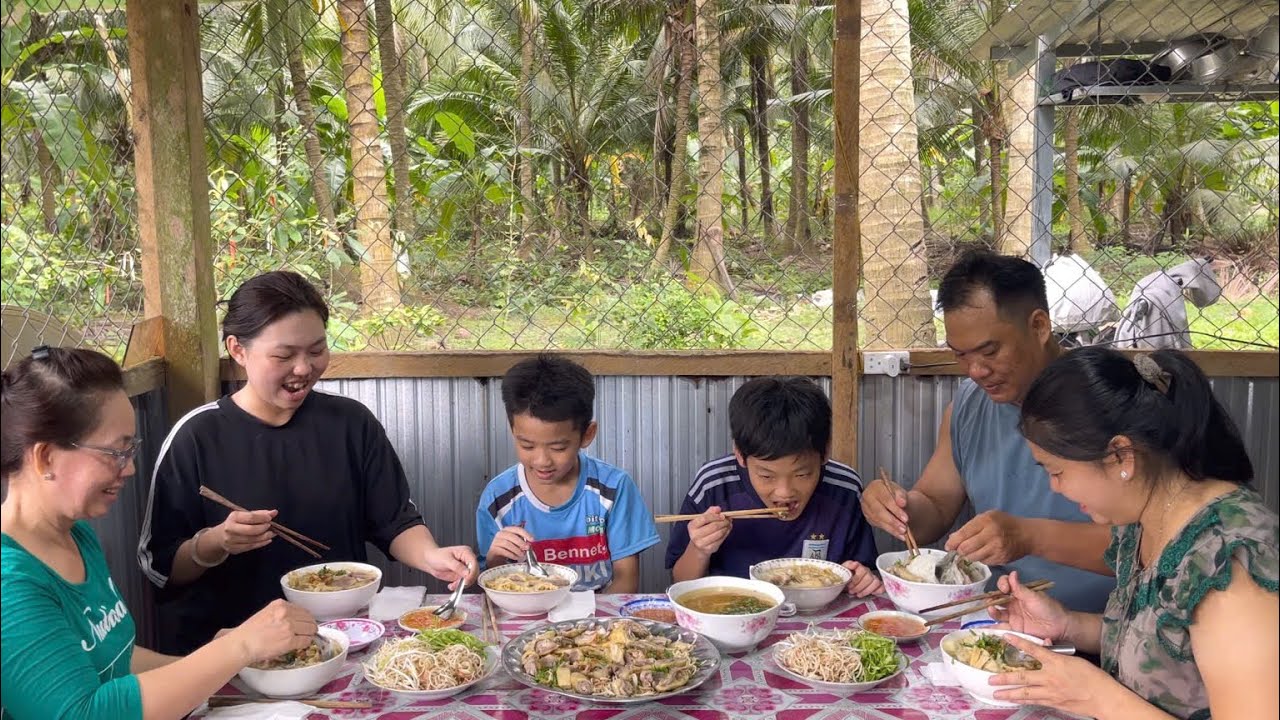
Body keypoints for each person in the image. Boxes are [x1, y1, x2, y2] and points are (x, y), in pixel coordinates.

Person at [138, 271, 476, 654]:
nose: (303, 368)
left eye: (316, 351)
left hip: (340, 640)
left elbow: (394, 521)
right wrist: (216, 542)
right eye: (284, 355)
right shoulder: (196, 436)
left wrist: (432, 557)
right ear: (238, 350)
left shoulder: (351, 423)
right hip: (236, 649)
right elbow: (160, 567)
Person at [2, 346, 318, 720]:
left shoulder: (75, 535)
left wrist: (211, 665)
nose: (130, 468)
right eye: (115, 452)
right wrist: (238, 648)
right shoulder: (12, 582)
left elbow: (114, 658)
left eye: (130, 449)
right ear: (45, 458)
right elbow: (84, 713)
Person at [987, 347, 1277, 720]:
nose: (1054, 488)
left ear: (1121, 457)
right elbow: (1160, 647)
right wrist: (1068, 625)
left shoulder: (1230, 565)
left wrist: (1096, 696)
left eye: (1056, 471)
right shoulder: (1143, 521)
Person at [861, 250, 1114, 612]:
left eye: (989, 351)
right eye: (960, 355)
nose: (975, 371)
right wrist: (897, 508)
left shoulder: (1112, 401)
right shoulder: (968, 405)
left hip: (1101, 630)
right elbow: (933, 505)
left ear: (1039, 327)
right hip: (993, 621)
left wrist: (1028, 536)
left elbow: (1154, 545)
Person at [666, 377, 882, 597]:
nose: (784, 492)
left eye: (802, 474)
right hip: (731, 615)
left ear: (825, 452)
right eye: (766, 475)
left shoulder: (844, 489)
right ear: (740, 454)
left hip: (817, 624)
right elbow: (680, 581)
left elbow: (862, 572)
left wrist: (863, 579)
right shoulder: (714, 485)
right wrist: (700, 549)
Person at [476, 355, 659, 593]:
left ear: (587, 434)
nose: (542, 461)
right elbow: (491, 584)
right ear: (513, 431)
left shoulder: (613, 488)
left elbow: (626, 580)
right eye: (527, 446)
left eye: (558, 448)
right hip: (526, 616)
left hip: (597, 620)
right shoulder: (499, 497)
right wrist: (495, 559)